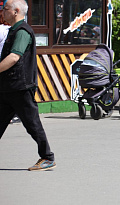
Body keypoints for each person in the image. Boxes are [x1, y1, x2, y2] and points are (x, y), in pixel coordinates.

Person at [0, 0, 56, 171]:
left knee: (32, 124)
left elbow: (14, 57)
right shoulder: (13, 30)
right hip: (8, 86)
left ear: (16, 11)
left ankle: (47, 157)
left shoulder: (23, 31)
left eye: (5, 9)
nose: (2, 12)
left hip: (20, 87)